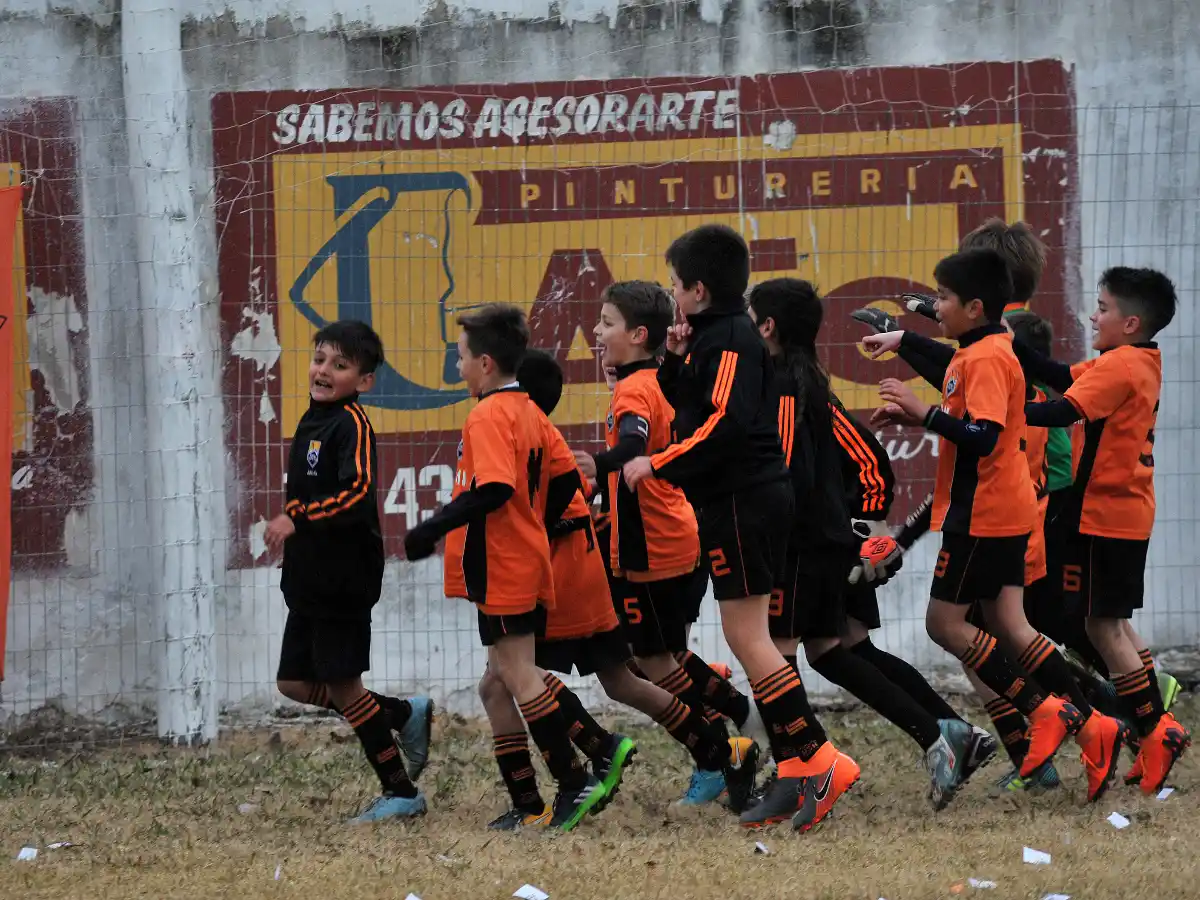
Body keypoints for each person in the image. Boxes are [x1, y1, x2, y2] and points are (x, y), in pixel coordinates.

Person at [862, 248, 1125, 804]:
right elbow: (975, 415)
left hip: (982, 512)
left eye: (944, 299)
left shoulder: (984, 358)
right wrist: (916, 387)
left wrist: (924, 413)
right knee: (1010, 624)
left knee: (944, 625)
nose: (936, 307)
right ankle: (1095, 724)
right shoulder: (985, 349)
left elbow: (982, 435)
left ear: (974, 305)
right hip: (1006, 509)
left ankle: (1049, 712)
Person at [622, 225, 859, 832]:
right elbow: (688, 403)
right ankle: (801, 768)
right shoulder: (709, 336)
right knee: (748, 636)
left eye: (676, 286)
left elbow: (724, 425)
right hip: (735, 500)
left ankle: (819, 761)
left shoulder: (731, 339)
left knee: (751, 638)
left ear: (698, 288)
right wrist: (674, 357)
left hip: (744, 500)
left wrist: (658, 463)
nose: (672, 297)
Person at [747, 278, 993, 810]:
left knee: (783, 650)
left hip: (806, 545)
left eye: (749, 316)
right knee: (840, 649)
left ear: (766, 327)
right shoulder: (796, 379)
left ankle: (802, 770)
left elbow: (862, 464)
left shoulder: (789, 387)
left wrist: (865, 529)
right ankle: (946, 733)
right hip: (823, 540)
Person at [403, 304, 607, 832]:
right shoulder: (531, 411)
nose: (459, 366)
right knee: (495, 685)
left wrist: (433, 525)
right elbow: (565, 480)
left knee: (516, 675)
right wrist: (533, 520)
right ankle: (528, 803)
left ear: (487, 363)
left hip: (502, 565)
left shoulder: (489, 414)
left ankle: (573, 780)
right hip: (525, 559)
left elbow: (494, 488)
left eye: (463, 357)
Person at [574, 281, 764, 809]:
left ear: (636, 335)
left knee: (652, 662)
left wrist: (599, 463)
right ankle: (741, 719)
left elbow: (634, 444)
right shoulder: (659, 378)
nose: (596, 331)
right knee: (667, 655)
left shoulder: (635, 390)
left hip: (650, 550)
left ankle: (719, 753)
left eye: (606, 322)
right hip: (679, 536)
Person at [1012, 266, 1191, 794]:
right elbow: (1062, 375)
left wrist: (991, 411)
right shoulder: (1134, 360)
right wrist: (1002, 342)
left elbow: (1061, 408)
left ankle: (1157, 729)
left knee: (1100, 629)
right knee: (1113, 625)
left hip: (1103, 515)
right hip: (1125, 513)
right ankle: (1154, 723)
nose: (1094, 314)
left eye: (1104, 308)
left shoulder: (1121, 367)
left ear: (1131, 322)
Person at [266, 320, 432, 824]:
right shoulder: (312, 419)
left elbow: (357, 492)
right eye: (320, 359)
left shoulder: (352, 425)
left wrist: (297, 517)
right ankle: (402, 714)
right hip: (310, 580)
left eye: (339, 365)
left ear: (363, 382)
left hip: (343, 579)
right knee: (293, 682)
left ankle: (401, 792)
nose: (323, 371)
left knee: (345, 687)